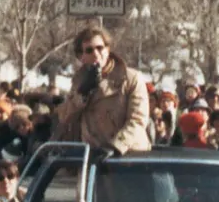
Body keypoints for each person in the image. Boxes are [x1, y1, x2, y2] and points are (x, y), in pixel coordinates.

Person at [55, 27, 151, 157]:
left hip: (129, 155)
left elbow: (138, 120)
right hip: (93, 156)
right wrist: (82, 94)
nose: (96, 54)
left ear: (108, 50)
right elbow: (65, 117)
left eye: (100, 48)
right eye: (89, 50)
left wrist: (116, 146)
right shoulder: (78, 81)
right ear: (81, 57)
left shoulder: (130, 78)